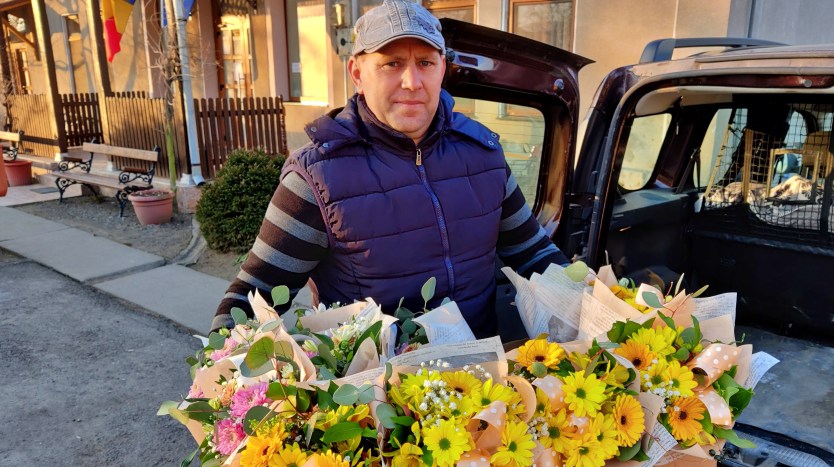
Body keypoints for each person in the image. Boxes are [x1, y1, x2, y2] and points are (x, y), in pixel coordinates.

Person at [211, 0, 568, 337]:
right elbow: (254, 294)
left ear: (442, 69)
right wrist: (224, 364)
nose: (412, 82)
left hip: (485, 373)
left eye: (425, 63)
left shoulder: (483, 156)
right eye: (391, 64)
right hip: (374, 380)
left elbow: (533, 252)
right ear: (357, 73)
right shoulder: (316, 178)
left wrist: (584, 296)